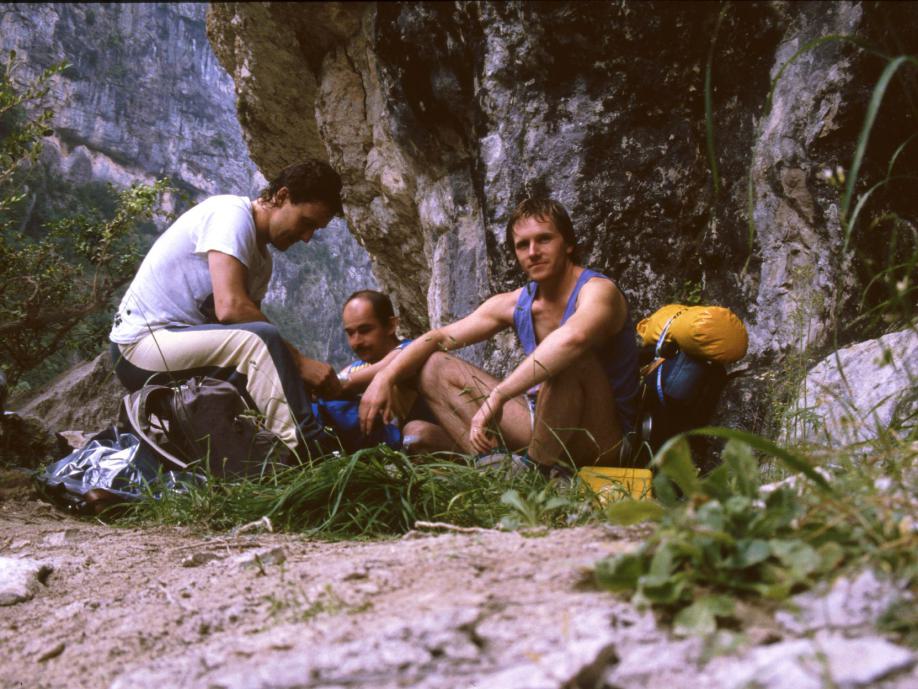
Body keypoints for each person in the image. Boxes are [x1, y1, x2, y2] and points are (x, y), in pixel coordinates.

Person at [359, 197, 640, 470]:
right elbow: (440, 337)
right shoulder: (517, 303)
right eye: (522, 245)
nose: (533, 252)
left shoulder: (597, 291)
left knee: (567, 357)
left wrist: (499, 395)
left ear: (568, 244)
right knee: (432, 366)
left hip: (603, 438)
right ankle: (495, 467)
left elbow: (573, 339)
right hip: (544, 426)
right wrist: (385, 376)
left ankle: (532, 474)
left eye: (544, 239)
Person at [109, 159, 344, 458]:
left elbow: (243, 334)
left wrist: (289, 377)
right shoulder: (231, 214)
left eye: (315, 229)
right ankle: (309, 451)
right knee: (262, 340)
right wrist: (298, 363)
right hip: (141, 347)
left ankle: (281, 452)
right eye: (306, 222)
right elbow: (231, 308)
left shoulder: (262, 264)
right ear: (282, 196)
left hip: (179, 352)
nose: (307, 237)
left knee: (265, 355)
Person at [316, 290, 446, 452]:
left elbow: (383, 367)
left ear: (391, 325)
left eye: (365, 330)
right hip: (399, 451)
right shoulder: (357, 367)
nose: (356, 342)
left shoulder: (410, 351)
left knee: (417, 434)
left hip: (437, 441)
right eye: (350, 333)